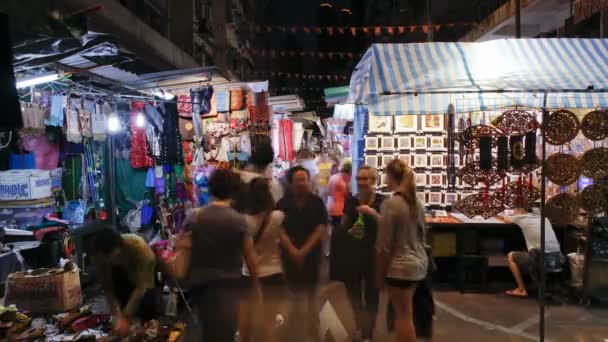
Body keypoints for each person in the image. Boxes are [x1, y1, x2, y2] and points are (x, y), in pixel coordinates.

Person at [177, 168, 262, 341]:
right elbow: (251, 258)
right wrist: (257, 288)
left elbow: (180, 256)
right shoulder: (239, 220)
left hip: (198, 291)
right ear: (234, 190)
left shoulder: (194, 217)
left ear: (211, 189)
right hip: (228, 291)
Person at [361, 159, 427, 342]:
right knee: (407, 313)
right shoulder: (416, 203)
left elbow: (383, 246)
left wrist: (379, 275)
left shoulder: (391, 204)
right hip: (418, 264)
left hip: (400, 267)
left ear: (391, 177)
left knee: (402, 316)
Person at [277, 165, 328, 342]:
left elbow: (321, 228)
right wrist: (292, 250)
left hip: (311, 257)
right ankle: (295, 333)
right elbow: (279, 228)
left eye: (303, 179)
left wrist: (304, 250)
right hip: (288, 257)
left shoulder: (317, 202)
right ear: (291, 183)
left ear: (308, 180)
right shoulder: (283, 203)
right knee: (292, 297)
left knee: (313, 297)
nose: (301, 183)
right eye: (297, 180)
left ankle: (314, 334)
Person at [337, 166, 386, 341]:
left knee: (372, 295)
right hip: (353, 254)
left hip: (374, 255)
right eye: (359, 179)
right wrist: (348, 230)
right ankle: (360, 325)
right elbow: (343, 225)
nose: (362, 182)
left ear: (374, 181)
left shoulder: (382, 201)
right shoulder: (351, 200)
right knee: (354, 294)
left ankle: (368, 333)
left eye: (366, 179)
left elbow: (388, 227)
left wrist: (372, 213)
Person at [86, 223, 160, 337]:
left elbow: (141, 287)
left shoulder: (139, 249)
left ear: (120, 248)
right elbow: (108, 289)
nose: (108, 262)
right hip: (124, 276)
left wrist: (125, 316)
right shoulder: (101, 257)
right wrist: (117, 315)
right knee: (122, 311)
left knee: (147, 307)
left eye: (114, 258)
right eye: (106, 260)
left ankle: (145, 324)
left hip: (144, 278)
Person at [239, 177, 287, 342]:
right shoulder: (278, 216)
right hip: (274, 273)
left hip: (248, 276)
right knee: (269, 322)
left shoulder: (243, 221)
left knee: (246, 321)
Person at [503, 208, 562, 298]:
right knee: (528, 251)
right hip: (558, 257)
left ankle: (521, 289)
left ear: (521, 210)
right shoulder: (545, 219)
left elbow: (506, 219)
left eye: (515, 209)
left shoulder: (521, 218)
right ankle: (539, 283)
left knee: (510, 256)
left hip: (541, 257)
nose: (514, 211)